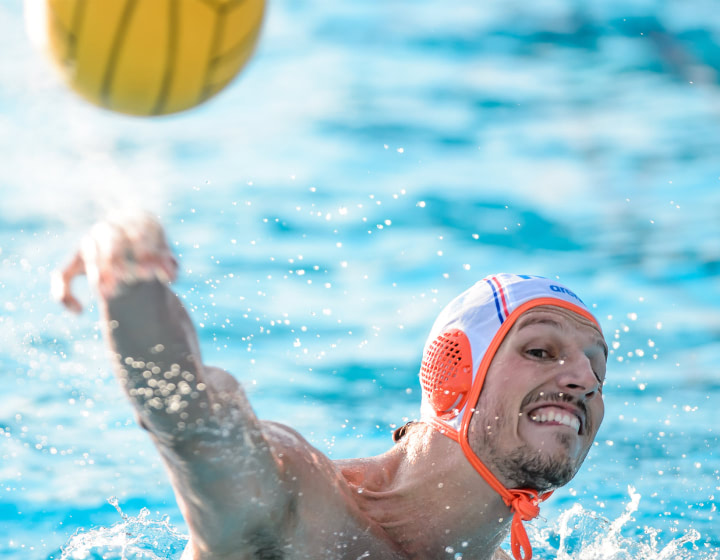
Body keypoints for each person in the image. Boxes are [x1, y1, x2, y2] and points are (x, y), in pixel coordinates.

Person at [53, 212, 607, 560]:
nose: (584, 380)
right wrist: (130, 278)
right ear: (455, 372)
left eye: (597, 369)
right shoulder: (297, 509)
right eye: (540, 351)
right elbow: (189, 417)